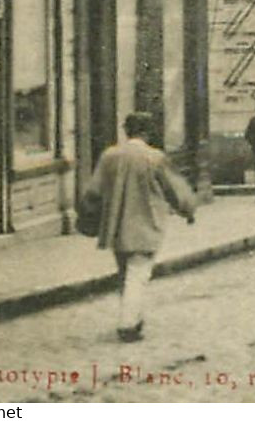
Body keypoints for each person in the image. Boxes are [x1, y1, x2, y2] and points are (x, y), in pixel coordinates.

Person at [82, 112, 196, 343]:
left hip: (116, 226)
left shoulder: (109, 156)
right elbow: (175, 190)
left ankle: (134, 316)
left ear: (126, 130)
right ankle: (128, 323)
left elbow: (93, 192)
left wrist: (89, 215)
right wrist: (188, 209)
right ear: (147, 132)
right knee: (138, 274)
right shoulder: (154, 158)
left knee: (126, 274)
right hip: (146, 224)